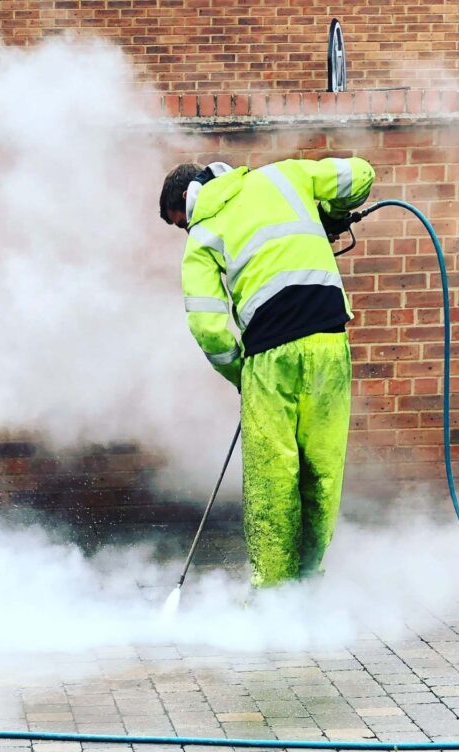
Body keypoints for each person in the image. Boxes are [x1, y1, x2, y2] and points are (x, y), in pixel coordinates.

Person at [159, 156, 375, 587]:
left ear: (186, 198)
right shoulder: (285, 175)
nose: (184, 229)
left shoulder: (202, 235)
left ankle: (275, 601)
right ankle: (310, 583)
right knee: (322, 470)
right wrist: (330, 214)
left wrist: (244, 377)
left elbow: (208, 326)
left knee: (272, 482)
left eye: (178, 222)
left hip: (270, 356)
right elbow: (361, 175)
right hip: (330, 339)